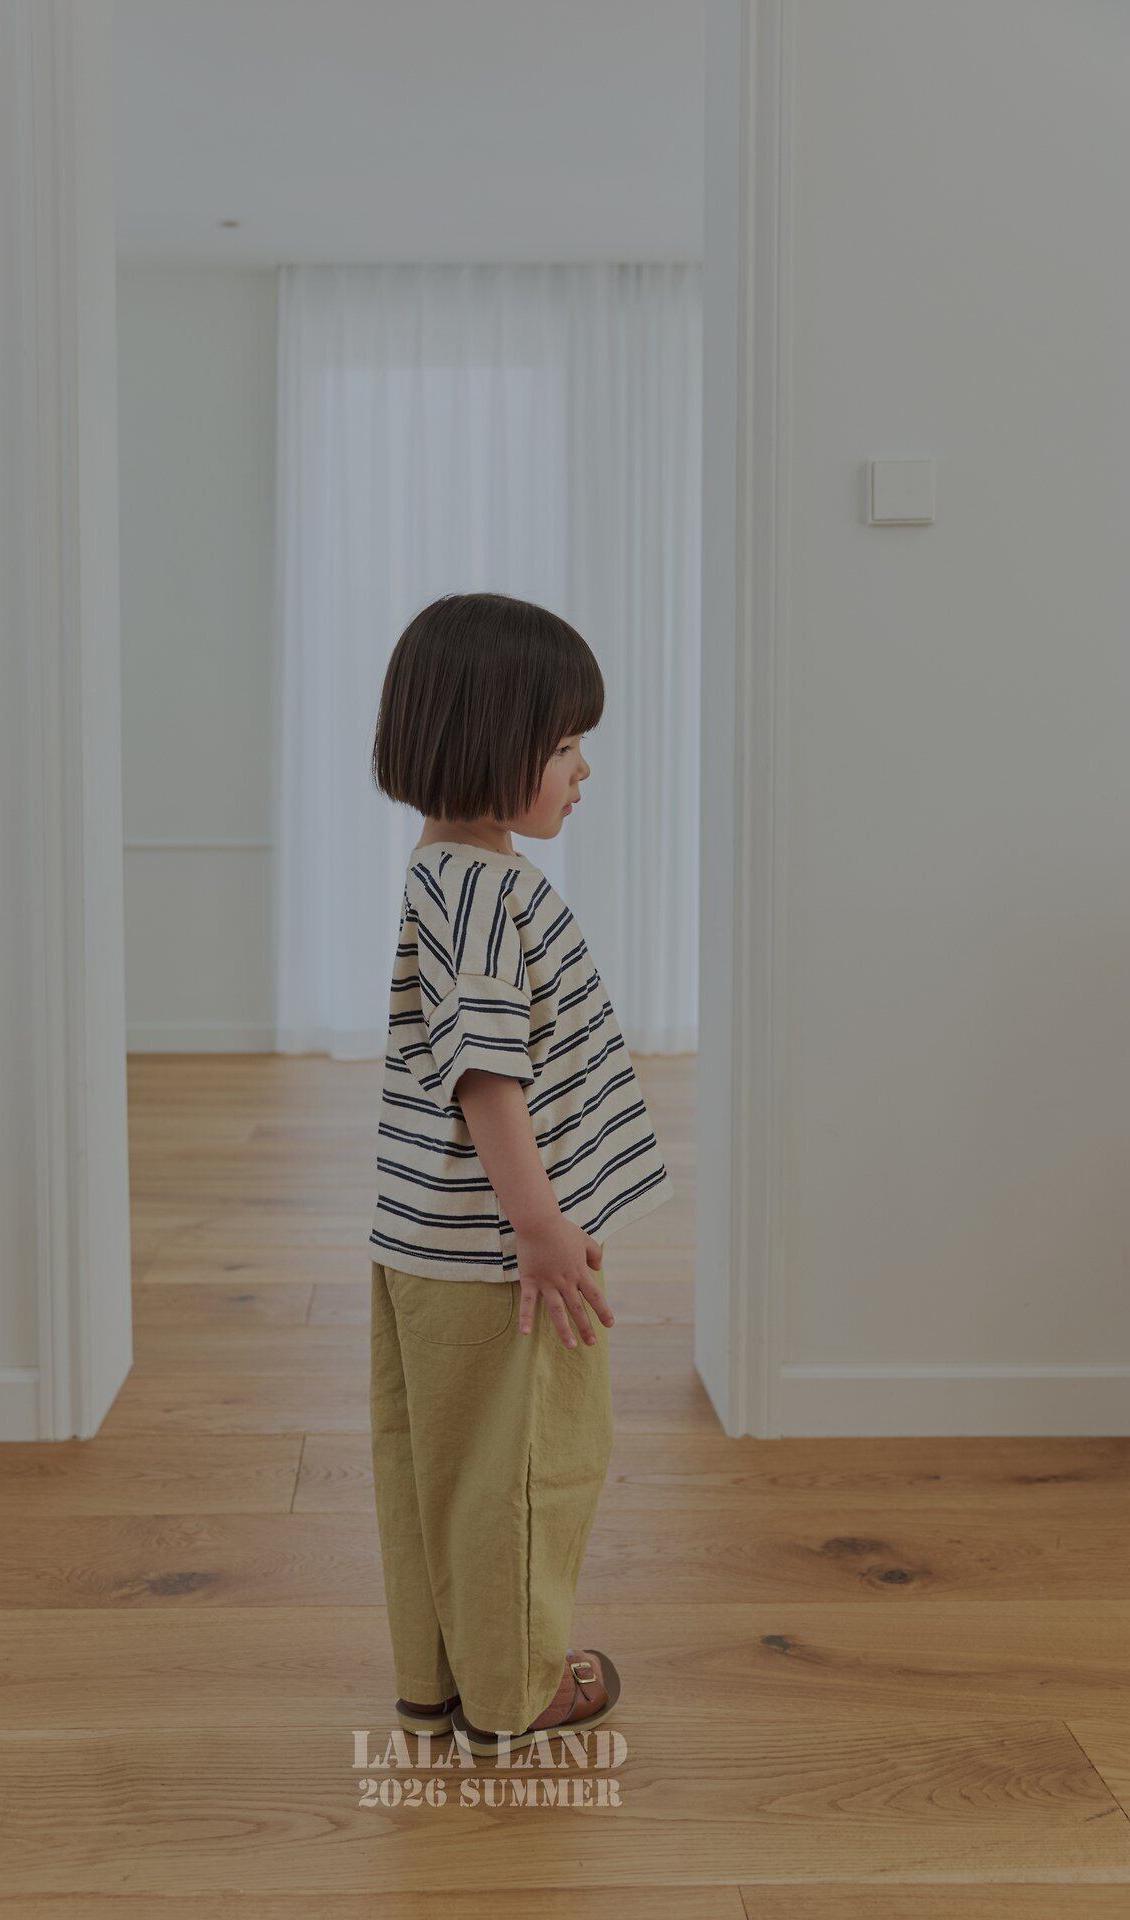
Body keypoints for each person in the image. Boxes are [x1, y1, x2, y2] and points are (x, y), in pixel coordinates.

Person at [366, 591, 675, 1757]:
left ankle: (440, 1682)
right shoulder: (487, 894)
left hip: (432, 1241)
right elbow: (487, 1076)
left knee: (440, 1469)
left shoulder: (448, 871)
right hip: (499, 1257)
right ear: (486, 745)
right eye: (561, 746)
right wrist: (540, 1229)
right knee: (529, 1470)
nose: (582, 769)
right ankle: (516, 1696)